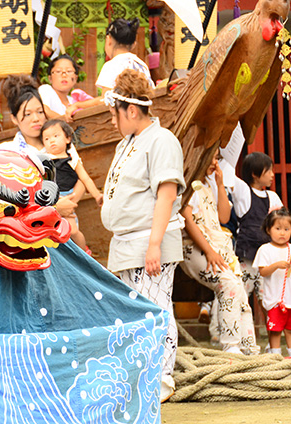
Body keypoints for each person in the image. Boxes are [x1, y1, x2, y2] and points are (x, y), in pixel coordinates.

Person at [100, 69, 185, 402]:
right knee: (135, 313)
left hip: (151, 241)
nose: (113, 121)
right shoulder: (127, 142)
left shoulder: (162, 140)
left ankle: (162, 377)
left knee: (156, 309)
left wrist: (154, 244)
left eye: (115, 114)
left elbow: (166, 193)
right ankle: (143, 374)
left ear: (131, 110)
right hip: (126, 243)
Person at [179, 151, 258, 354]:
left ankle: (249, 348)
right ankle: (230, 345)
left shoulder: (210, 183)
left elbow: (224, 217)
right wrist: (209, 251)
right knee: (229, 284)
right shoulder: (187, 182)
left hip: (218, 247)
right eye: (212, 157)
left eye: (217, 158)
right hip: (194, 247)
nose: (215, 162)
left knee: (240, 291)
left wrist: (220, 184)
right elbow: (187, 220)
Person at [0, 75, 79, 218]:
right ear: (14, 118)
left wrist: (70, 202)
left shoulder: (60, 141)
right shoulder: (8, 152)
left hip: (69, 219)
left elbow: (80, 176)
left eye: (40, 112)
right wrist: (54, 208)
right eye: (27, 114)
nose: (36, 119)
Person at [63, 18, 154, 122]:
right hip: (144, 118)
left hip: (125, 120)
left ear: (109, 39)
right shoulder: (142, 64)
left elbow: (105, 101)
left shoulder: (112, 65)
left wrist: (78, 105)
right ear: (134, 44)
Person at [41, 119, 103, 252]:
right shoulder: (43, 160)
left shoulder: (72, 159)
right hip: (54, 199)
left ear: (68, 139)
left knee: (73, 231)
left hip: (68, 196)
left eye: (56, 136)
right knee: (57, 234)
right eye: (47, 139)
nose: (52, 141)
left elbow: (85, 178)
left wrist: (97, 195)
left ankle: (85, 254)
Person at [253, 208, 291, 356]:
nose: (282, 233)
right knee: (275, 331)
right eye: (278, 228)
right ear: (268, 229)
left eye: (286, 229)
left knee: (290, 330)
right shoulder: (265, 249)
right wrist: (276, 265)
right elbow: (263, 271)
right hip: (275, 300)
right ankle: (275, 357)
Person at [232, 152, 284, 297]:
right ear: (255, 174)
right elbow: (228, 172)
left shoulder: (272, 197)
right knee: (240, 296)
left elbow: (282, 223)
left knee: (269, 298)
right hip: (247, 255)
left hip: (266, 258)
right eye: (268, 171)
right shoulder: (244, 192)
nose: (272, 175)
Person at [37, 54, 92, 119]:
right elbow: (44, 109)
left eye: (69, 71)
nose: (64, 75)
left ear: (75, 78)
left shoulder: (73, 101)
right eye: (58, 71)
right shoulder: (46, 90)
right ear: (50, 78)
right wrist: (65, 122)